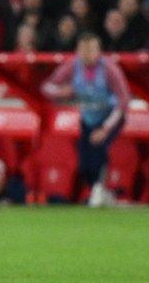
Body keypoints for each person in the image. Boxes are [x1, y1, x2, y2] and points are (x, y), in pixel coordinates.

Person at [41, 33, 130, 206]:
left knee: (99, 149)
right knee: (84, 160)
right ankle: (99, 190)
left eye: (91, 49)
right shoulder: (72, 67)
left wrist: (105, 128)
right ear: (78, 50)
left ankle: (99, 189)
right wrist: (62, 92)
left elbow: (123, 100)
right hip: (88, 117)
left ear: (99, 51)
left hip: (110, 116)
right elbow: (47, 87)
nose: (87, 54)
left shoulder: (109, 69)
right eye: (83, 49)